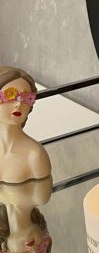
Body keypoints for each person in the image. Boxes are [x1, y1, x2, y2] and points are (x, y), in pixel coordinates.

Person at [0, 67, 52, 253]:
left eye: (26, 98)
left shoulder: (34, 155)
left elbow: (42, 196)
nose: (18, 104)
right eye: (10, 95)